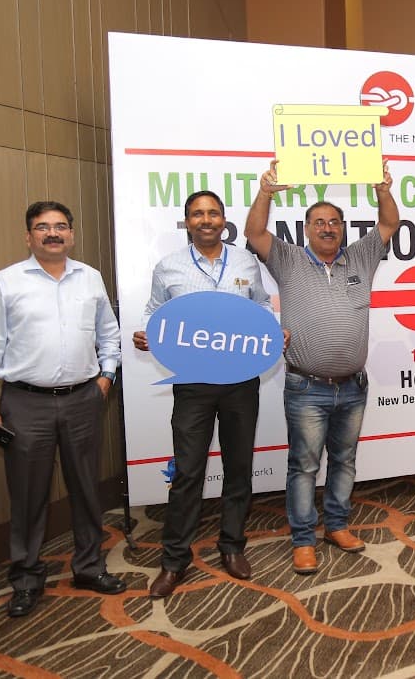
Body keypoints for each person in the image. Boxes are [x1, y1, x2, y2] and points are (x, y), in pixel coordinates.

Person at [0, 201, 124, 618]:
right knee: (28, 497)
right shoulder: (6, 282)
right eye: (42, 227)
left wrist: (105, 376)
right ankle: (26, 579)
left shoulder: (90, 278)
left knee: (87, 491)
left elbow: (110, 333)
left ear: (71, 234)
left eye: (60, 227)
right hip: (24, 403)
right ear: (29, 236)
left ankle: (89, 567)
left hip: (83, 401)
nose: (52, 233)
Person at [249, 159, 399, 574]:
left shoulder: (362, 258)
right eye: (319, 221)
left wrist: (383, 189)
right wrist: (265, 191)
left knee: (345, 460)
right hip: (306, 387)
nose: (327, 227)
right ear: (306, 229)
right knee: (305, 464)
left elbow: (389, 224)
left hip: (353, 387)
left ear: (343, 229)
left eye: (334, 221)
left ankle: (336, 524)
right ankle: (303, 538)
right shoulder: (288, 259)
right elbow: (255, 233)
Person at [133, 191, 273, 598]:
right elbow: (153, 310)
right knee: (188, 472)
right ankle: (174, 560)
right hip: (192, 384)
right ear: (187, 222)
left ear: (224, 219)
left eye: (213, 213)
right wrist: (148, 333)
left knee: (238, 467)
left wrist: (270, 332)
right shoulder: (169, 266)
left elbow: (261, 306)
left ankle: (232, 547)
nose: (206, 220)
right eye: (198, 214)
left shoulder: (246, 261)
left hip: (241, 382)